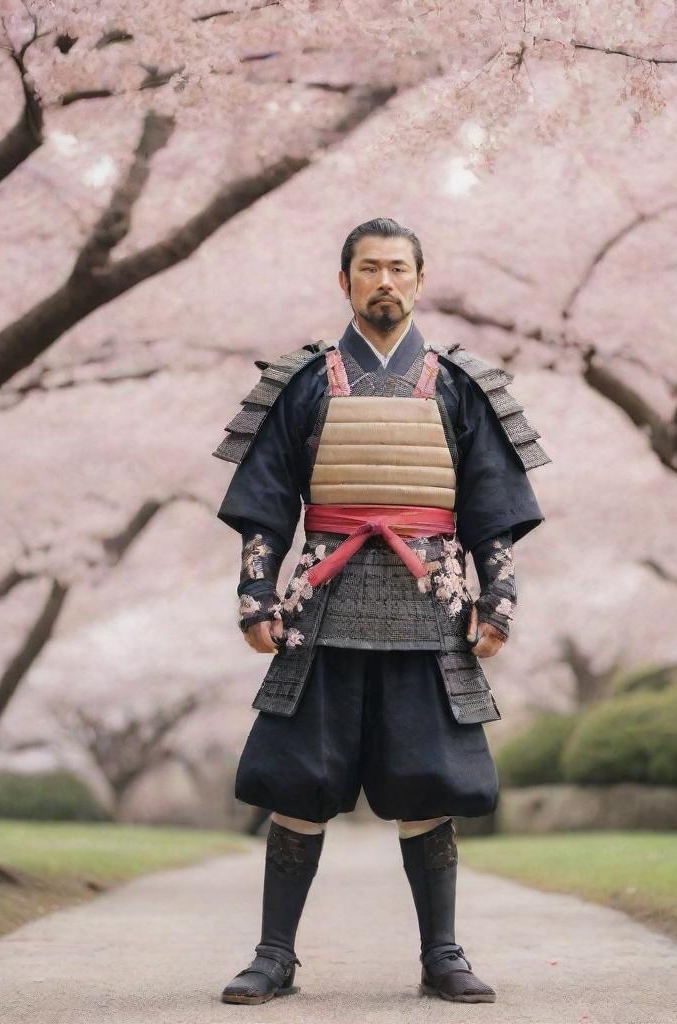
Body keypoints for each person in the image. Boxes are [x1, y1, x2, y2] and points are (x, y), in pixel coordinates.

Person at [212, 217, 551, 1005]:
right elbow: (264, 505)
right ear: (346, 282)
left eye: (399, 268)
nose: (385, 282)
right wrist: (255, 594)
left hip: (431, 603)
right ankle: (273, 955)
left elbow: (492, 511)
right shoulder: (300, 382)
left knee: (429, 781)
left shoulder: (465, 385)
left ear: (421, 280)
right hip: (321, 601)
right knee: (298, 780)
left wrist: (498, 599)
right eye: (370, 269)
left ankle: (443, 955)